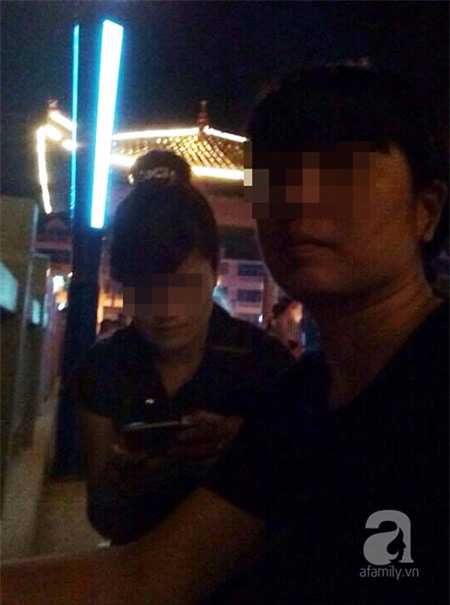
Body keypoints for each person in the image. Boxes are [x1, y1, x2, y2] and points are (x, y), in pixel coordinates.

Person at [3, 64, 449, 605]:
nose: (299, 198)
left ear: (426, 211)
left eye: (342, 170)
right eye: (274, 177)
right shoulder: (295, 402)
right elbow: (147, 576)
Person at [69, 149, 293, 545]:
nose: (167, 310)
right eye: (145, 288)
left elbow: (304, 506)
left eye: (184, 284)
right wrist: (120, 486)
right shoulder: (102, 367)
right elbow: (102, 517)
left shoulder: (267, 365)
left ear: (215, 270)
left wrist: (253, 449)